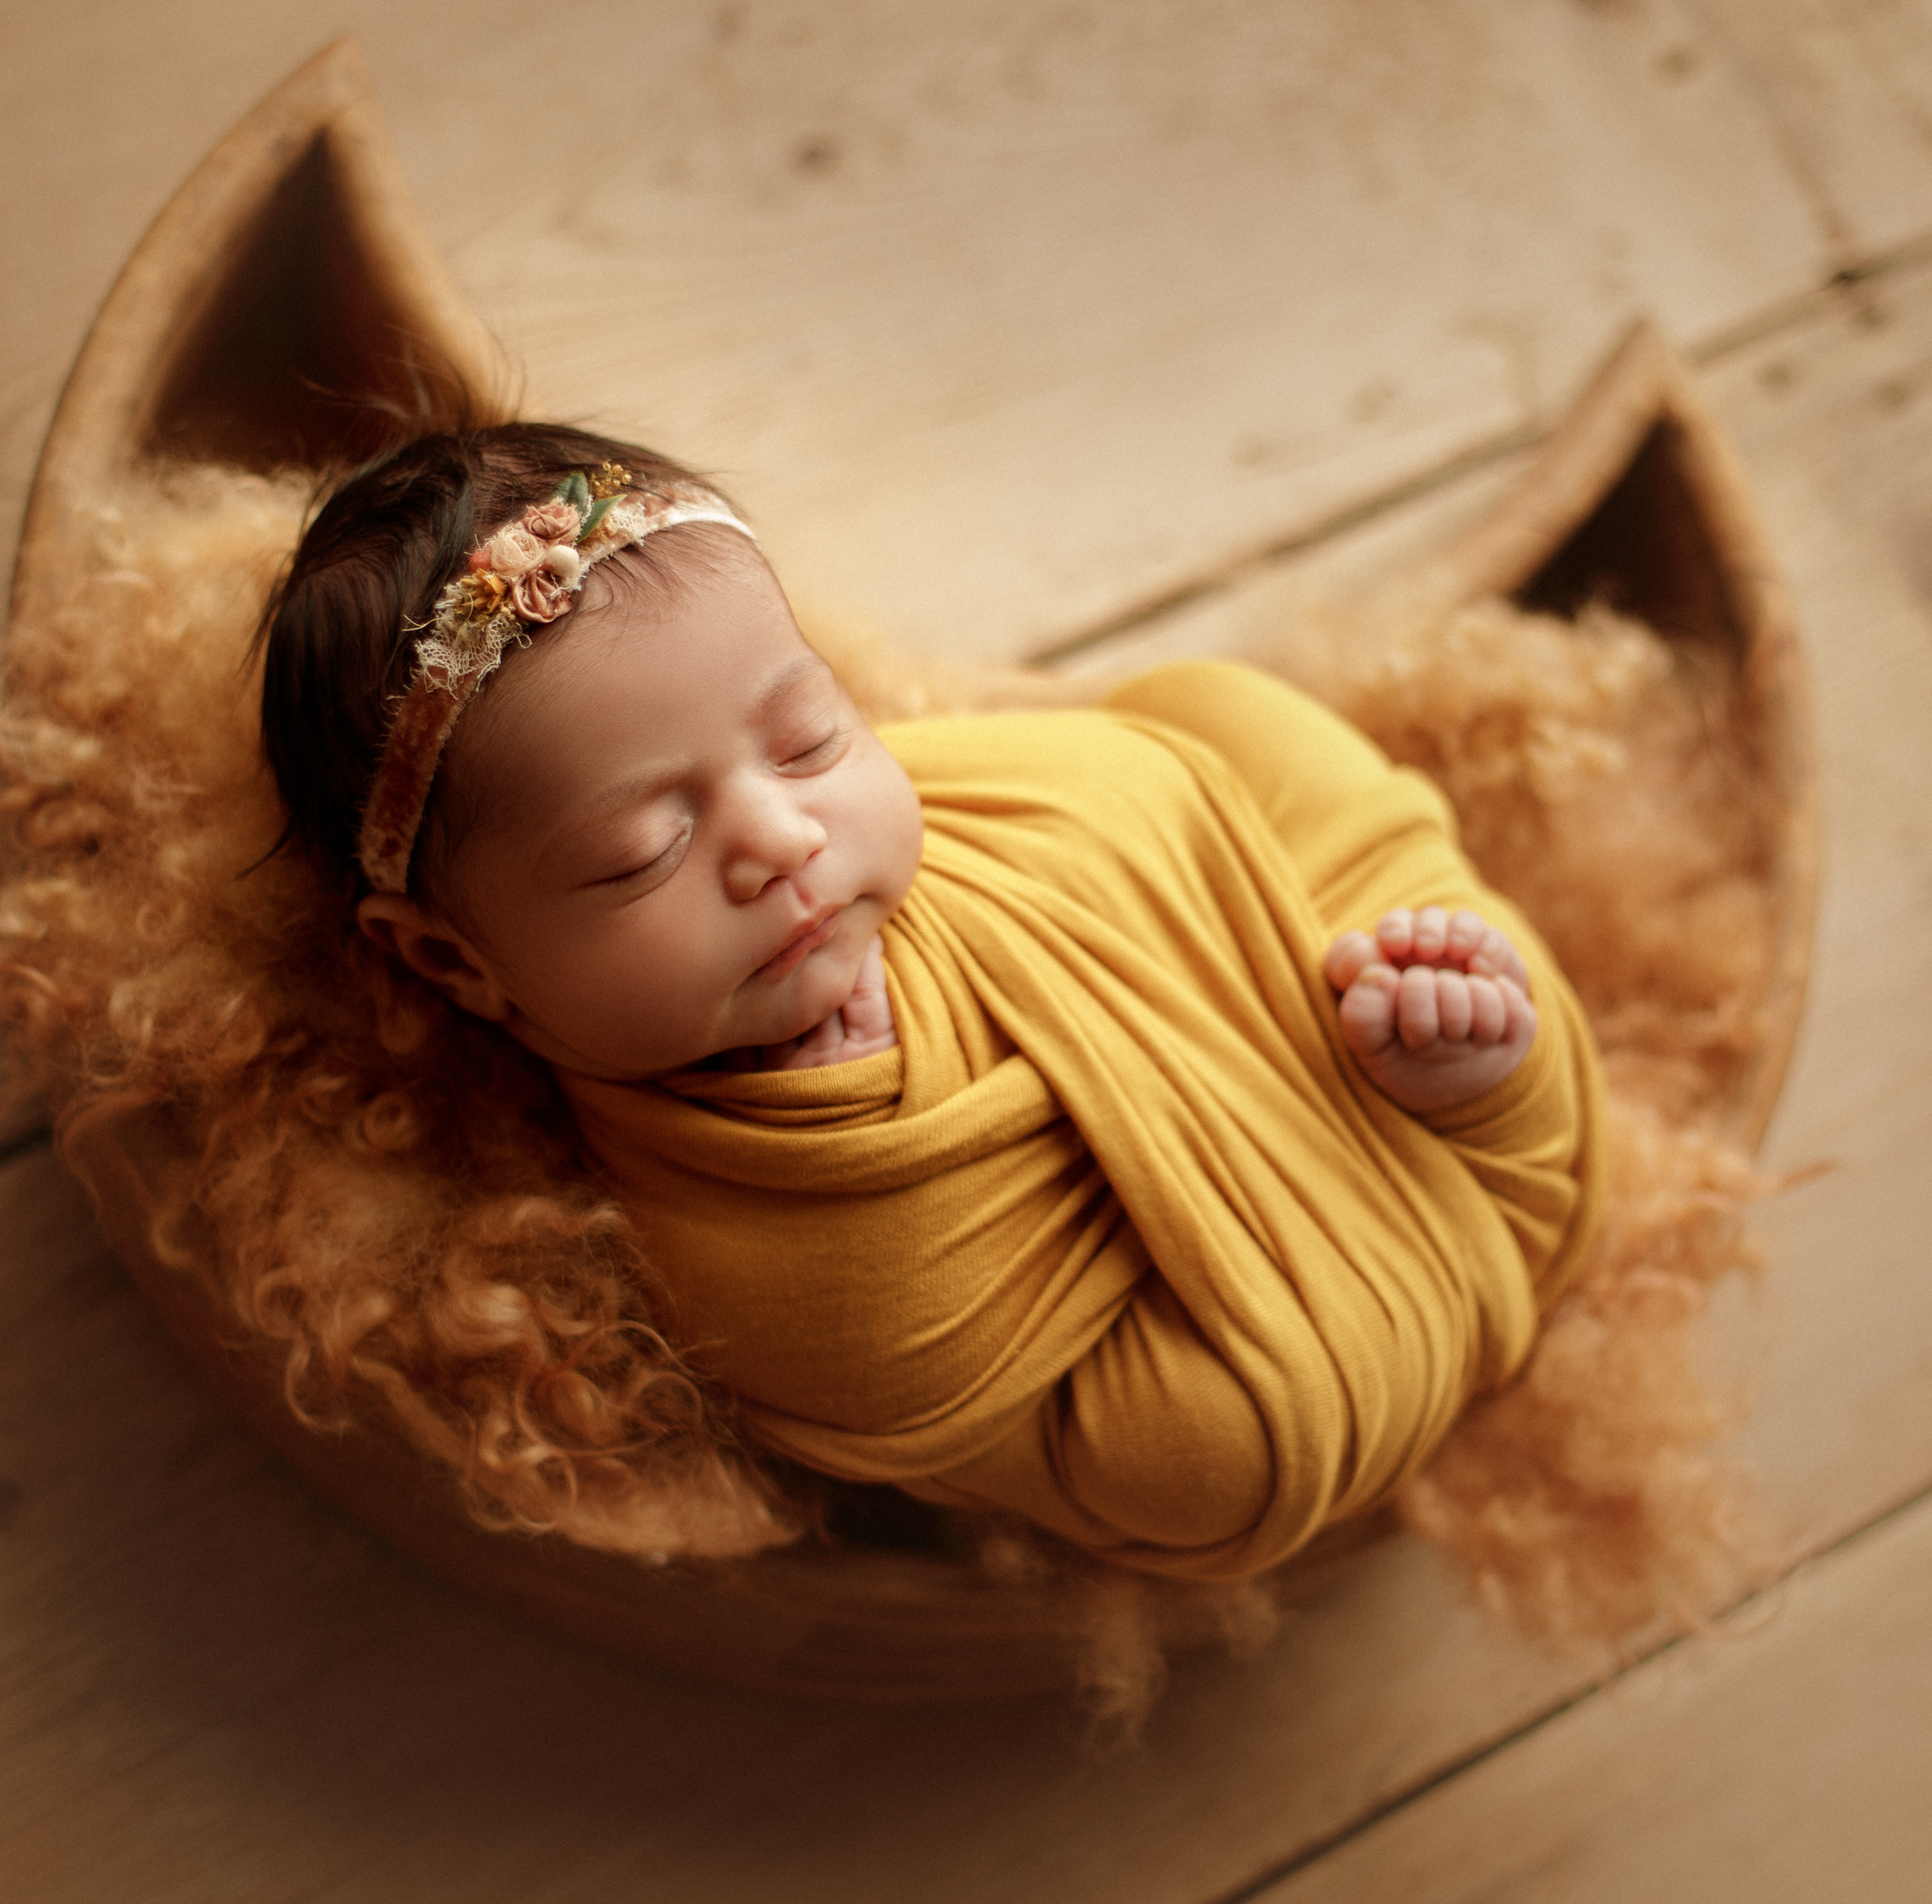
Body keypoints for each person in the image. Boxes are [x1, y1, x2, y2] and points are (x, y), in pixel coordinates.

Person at [259, 422, 1605, 1580]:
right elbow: (864, 1351)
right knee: (1213, 1458)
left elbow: (1118, 789)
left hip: (1236, 960)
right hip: (1234, 1332)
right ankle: (1473, 1117)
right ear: (453, 963)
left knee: (1221, 717)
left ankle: (1455, 1053)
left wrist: (1221, 906)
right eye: (642, 852)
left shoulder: (962, 813)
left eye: (808, 738)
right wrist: (876, 1130)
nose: (783, 838)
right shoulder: (716, 1224)